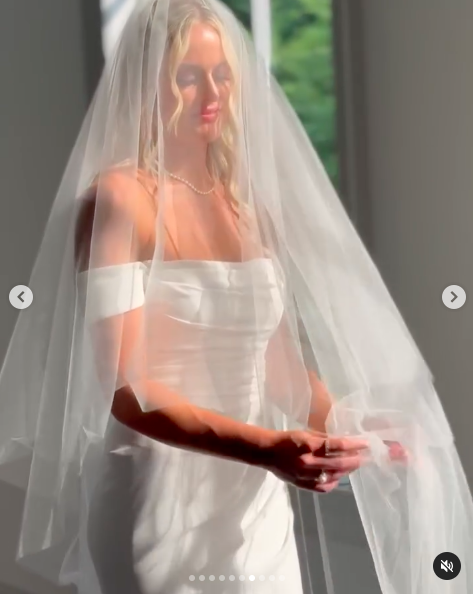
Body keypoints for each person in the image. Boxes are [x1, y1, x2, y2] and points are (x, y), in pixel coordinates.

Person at [0, 1, 472, 593]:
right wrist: (268, 448)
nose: (211, 92)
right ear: (150, 83)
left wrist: (358, 425)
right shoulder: (118, 201)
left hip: (256, 509)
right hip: (156, 503)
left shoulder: (244, 206)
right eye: (187, 75)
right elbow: (126, 392)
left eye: (222, 72)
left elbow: (279, 373)